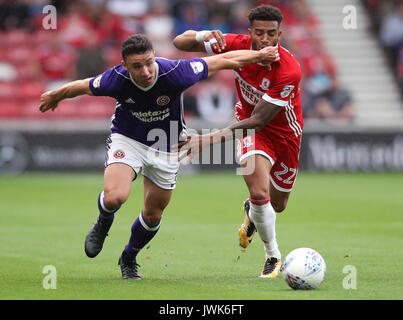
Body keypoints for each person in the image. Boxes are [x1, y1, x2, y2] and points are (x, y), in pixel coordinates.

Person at [39, 34, 279, 280]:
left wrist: (259, 55)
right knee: (115, 196)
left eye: (149, 62)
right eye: (137, 66)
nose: (145, 71)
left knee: (153, 214)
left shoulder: (175, 72)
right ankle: (103, 220)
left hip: (167, 145)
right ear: (125, 66)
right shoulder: (116, 79)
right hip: (128, 139)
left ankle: (129, 257)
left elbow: (224, 60)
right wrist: (56, 95)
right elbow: (83, 86)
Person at [173, 5, 303, 279]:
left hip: (283, 135)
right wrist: (203, 35)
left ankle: (252, 212)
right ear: (250, 33)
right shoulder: (236, 45)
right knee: (259, 193)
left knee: (277, 205)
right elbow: (179, 41)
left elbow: (261, 119)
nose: (265, 39)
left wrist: (207, 139)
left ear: (280, 33)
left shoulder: (289, 70)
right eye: (259, 33)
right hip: (248, 128)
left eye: (271, 34)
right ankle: (273, 256)